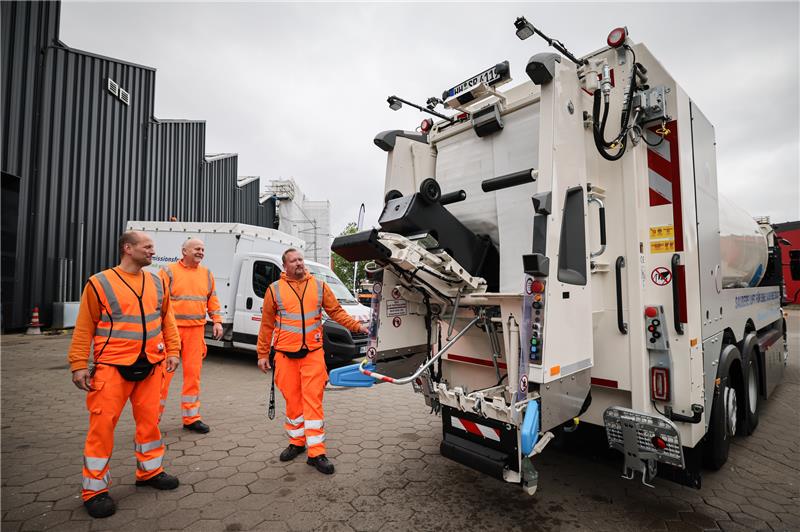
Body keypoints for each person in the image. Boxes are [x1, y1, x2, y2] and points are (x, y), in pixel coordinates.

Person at [68, 231, 182, 519]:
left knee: (149, 424)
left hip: (151, 365)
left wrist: (173, 351)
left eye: (153, 247)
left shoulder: (157, 281)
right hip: (111, 367)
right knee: (102, 428)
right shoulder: (100, 283)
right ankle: (94, 491)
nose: (152, 251)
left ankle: (150, 471)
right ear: (127, 248)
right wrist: (79, 363)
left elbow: (166, 319)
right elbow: (84, 327)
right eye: (148, 246)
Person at [257, 248, 368, 474]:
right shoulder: (274, 290)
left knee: (313, 402)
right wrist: (261, 354)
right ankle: (297, 443)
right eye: (294, 261)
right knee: (293, 402)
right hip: (285, 356)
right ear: (285, 266)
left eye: (300, 259)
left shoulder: (318, 286)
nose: (299, 263)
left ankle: (316, 452)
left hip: (313, 355)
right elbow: (267, 324)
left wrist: (357, 326)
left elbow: (336, 311)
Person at [159, 238, 223, 433]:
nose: (200, 252)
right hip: (171, 330)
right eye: (197, 248)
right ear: (184, 251)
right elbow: (158, 299)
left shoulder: (206, 273)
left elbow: (212, 298)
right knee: (162, 377)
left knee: (193, 376)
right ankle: (150, 420)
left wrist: (217, 320)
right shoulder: (168, 271)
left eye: (203, 249)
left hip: (196, 331)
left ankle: (191, 418)